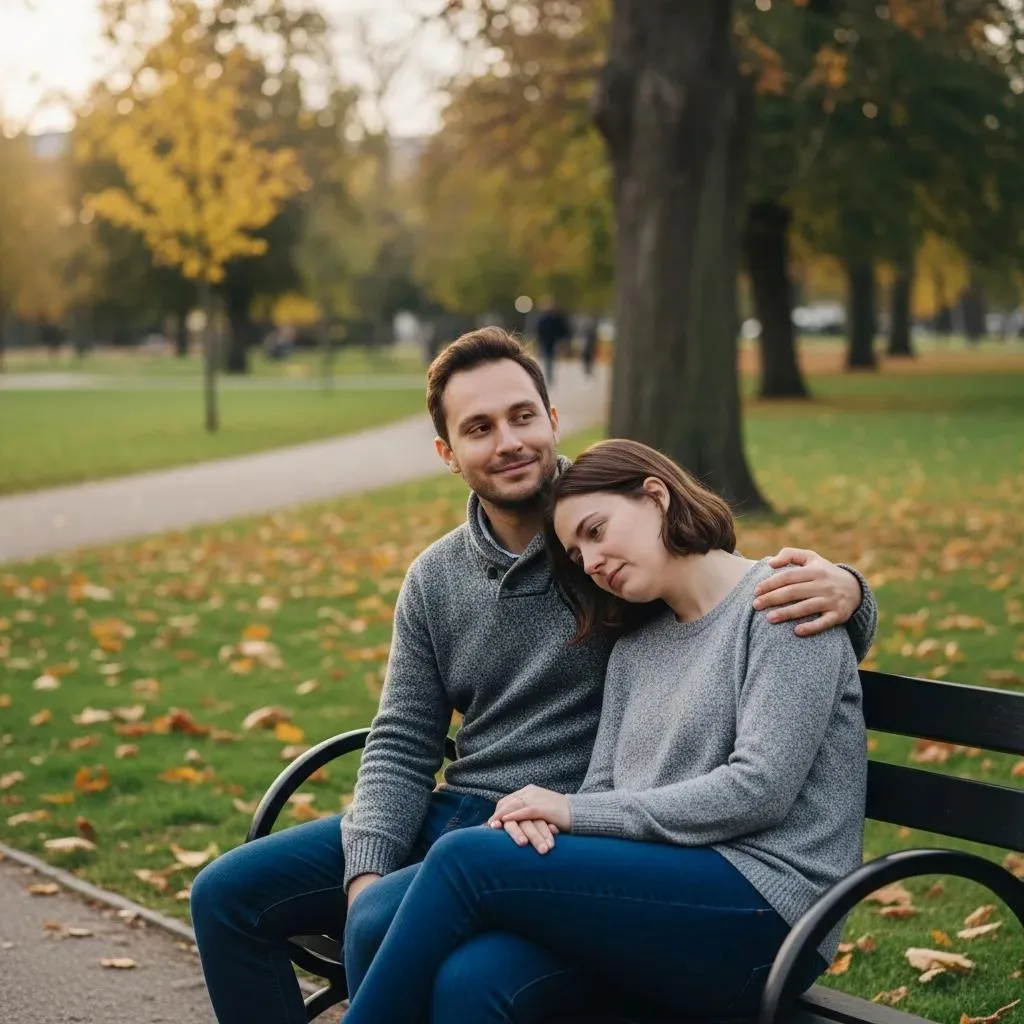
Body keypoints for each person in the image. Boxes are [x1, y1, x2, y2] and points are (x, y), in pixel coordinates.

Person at [189, 328, 876, 1024]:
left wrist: (848, 589)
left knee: (457, 894)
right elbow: (400, 739)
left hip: (598, 843)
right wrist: (369, 870)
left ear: (553, 420)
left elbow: (728, 592)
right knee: (238, 897)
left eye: (522, 416)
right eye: (479, 428)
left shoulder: (625, 542)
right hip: (501, 819)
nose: (589, 561)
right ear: (448, 454)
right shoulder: (471, 581)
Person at [341, 437, 867, 1024]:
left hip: (766, 912)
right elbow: (602, 785)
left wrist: (568, 812)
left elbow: (759, 790)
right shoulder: (636, 648)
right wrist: (547, 821)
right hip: (653, 895)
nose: (590, 563)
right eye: (575, 553)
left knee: (465, 860)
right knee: (470, 973)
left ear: (655, 496)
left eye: (596, 531)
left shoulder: (786, 602)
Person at [534, 301, 571, 384]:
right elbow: (539, 331)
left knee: (549, 360)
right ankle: (548, 376)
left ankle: (549, 377)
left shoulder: (555, 319)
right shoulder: (543, 319)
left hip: (553, 342)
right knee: (548, 359)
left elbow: (562, 330)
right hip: (546, 342)